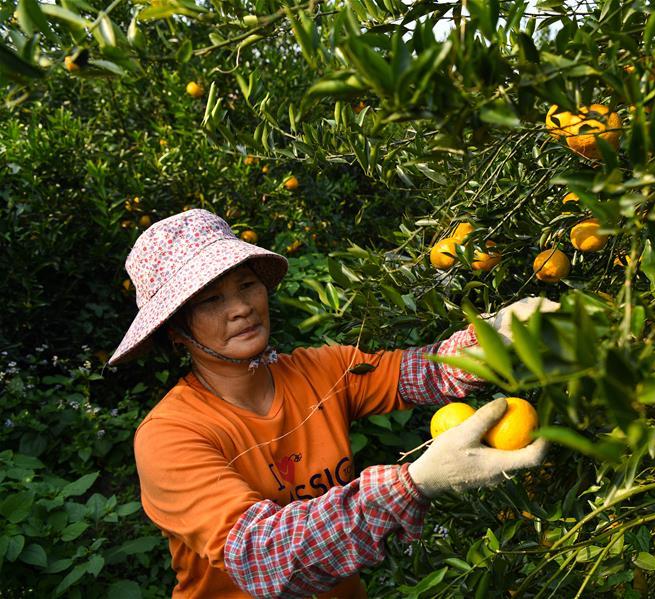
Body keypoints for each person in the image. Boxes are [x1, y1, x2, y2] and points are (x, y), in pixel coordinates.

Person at [108, 209, 555, 598]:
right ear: (176, 330)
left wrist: (494, 338)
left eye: (246, 285)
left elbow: (425, 372)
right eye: (211, 299)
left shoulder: (322, 372)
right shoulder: (170, 435)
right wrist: (413, 483)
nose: (241, 307)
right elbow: (258, 556)